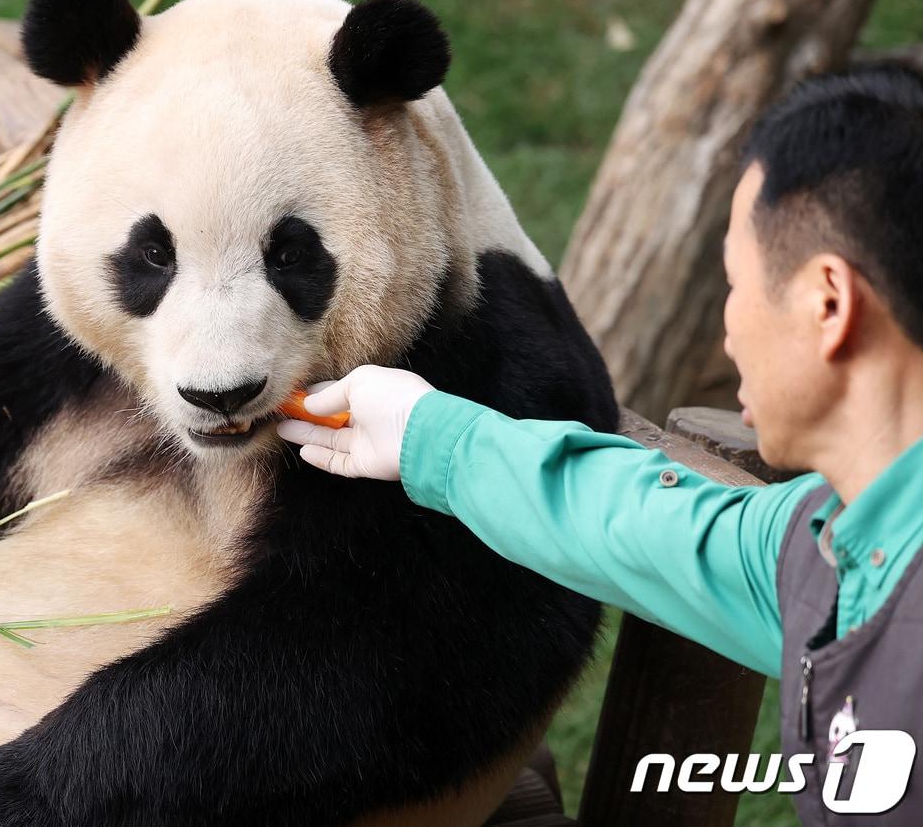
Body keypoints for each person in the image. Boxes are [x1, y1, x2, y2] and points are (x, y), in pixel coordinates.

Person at [277, 63, 923, 826]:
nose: (726, 328)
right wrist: (427, 436)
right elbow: (652, 526)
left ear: (827, 303)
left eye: (735, 282)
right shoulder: (838, 543)